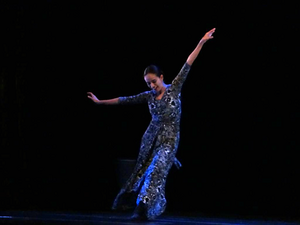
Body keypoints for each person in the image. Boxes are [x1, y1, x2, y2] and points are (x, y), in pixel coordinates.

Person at [87, 28, 216, 221]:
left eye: (154, 82)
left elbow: (188, 64)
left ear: (161, 77)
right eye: (148, 83)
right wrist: (100, 101)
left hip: (170, 141)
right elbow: (124, 100)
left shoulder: (174, 88)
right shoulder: (149, 96)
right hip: (150, 141)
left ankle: (144, 207)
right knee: (147, 172)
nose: (152, 86)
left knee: (156, 169)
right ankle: (141, 208)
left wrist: (201, 42)